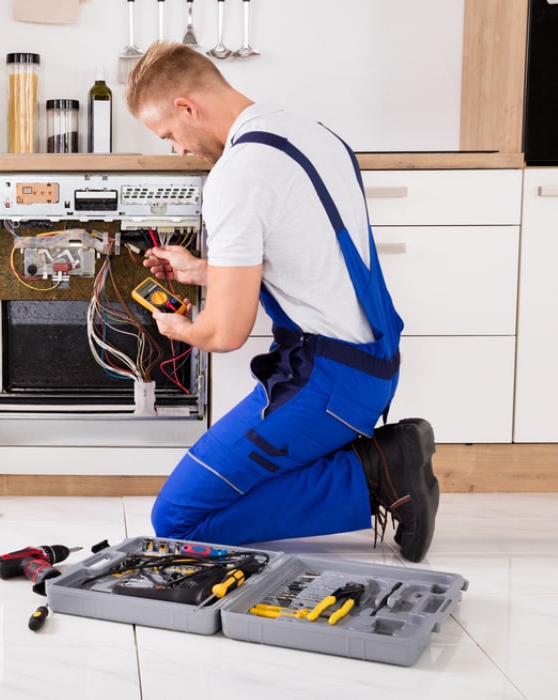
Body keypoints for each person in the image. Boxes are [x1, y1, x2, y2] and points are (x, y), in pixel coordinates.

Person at [125, 42, 439, 563]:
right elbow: (309, 260)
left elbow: (224, 334)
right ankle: (373, 463)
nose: (177, 150)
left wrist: (175, 328)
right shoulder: (314, 135)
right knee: (222, 488)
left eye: (169, 136)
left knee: (177, 519)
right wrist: (203, 271)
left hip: (327, 383)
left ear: (186, 108)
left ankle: (376, 470)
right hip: (373, 364)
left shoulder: (237, 174)